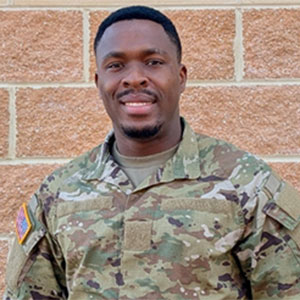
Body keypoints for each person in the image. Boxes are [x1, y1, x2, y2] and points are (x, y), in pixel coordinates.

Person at [4, 5, 300, 300]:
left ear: (181, 76)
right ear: (98, 83)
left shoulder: (247, 184)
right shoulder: (57, 195)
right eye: (116, 65)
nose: (134, 78)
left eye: (153, 62)